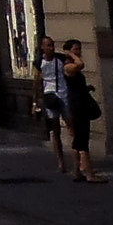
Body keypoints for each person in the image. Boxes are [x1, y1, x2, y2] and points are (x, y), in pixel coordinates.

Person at [61, 38, 106, 182]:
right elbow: (80, 64)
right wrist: (71, 55)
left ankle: (77, 171)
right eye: (76, 49)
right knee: (82, 139)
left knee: (78, 140)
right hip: (78, 106)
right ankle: (89, 173)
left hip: (79, 103)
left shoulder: (71, 66)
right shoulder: (68, 66)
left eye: (79, 49)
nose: (79, 52)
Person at [31, 35, 70, 174]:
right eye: (48, 45)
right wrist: (35, 103)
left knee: (71, 126)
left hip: (63, 94)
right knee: (55, 130)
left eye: (52, 45)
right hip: (50, 97)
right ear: (42, 47)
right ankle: (60, 161)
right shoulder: (38, 63)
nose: (51, 48)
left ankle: (79, 159)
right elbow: (36, 83)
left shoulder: (60, 59)